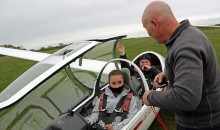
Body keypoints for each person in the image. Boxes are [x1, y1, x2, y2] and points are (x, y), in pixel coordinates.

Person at [142, 1, 220, 130]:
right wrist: (169, 72)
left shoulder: (185, 46)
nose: (148, 34)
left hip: (201, 124)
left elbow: (185, 98)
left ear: (155, 23)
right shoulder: (187, 35)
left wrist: (150, 97)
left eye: (147, 29)